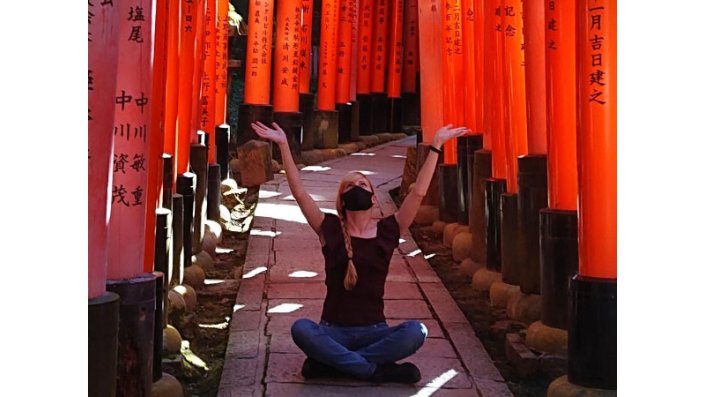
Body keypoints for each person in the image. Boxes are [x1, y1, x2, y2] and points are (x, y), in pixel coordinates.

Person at [251, 121, 469, 383]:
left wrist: (435, 146)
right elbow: (298, 192)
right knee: (302, 329)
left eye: (363, 185)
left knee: (416, 331)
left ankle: (335, 363)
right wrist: (284, 144)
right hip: (333, 330)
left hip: (375, 330)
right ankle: (373, 369)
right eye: (350, 186)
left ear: (375, 198)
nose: (357, 188)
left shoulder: (389, 230)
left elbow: (418, 192)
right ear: (341, 200)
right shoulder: (328, 228)